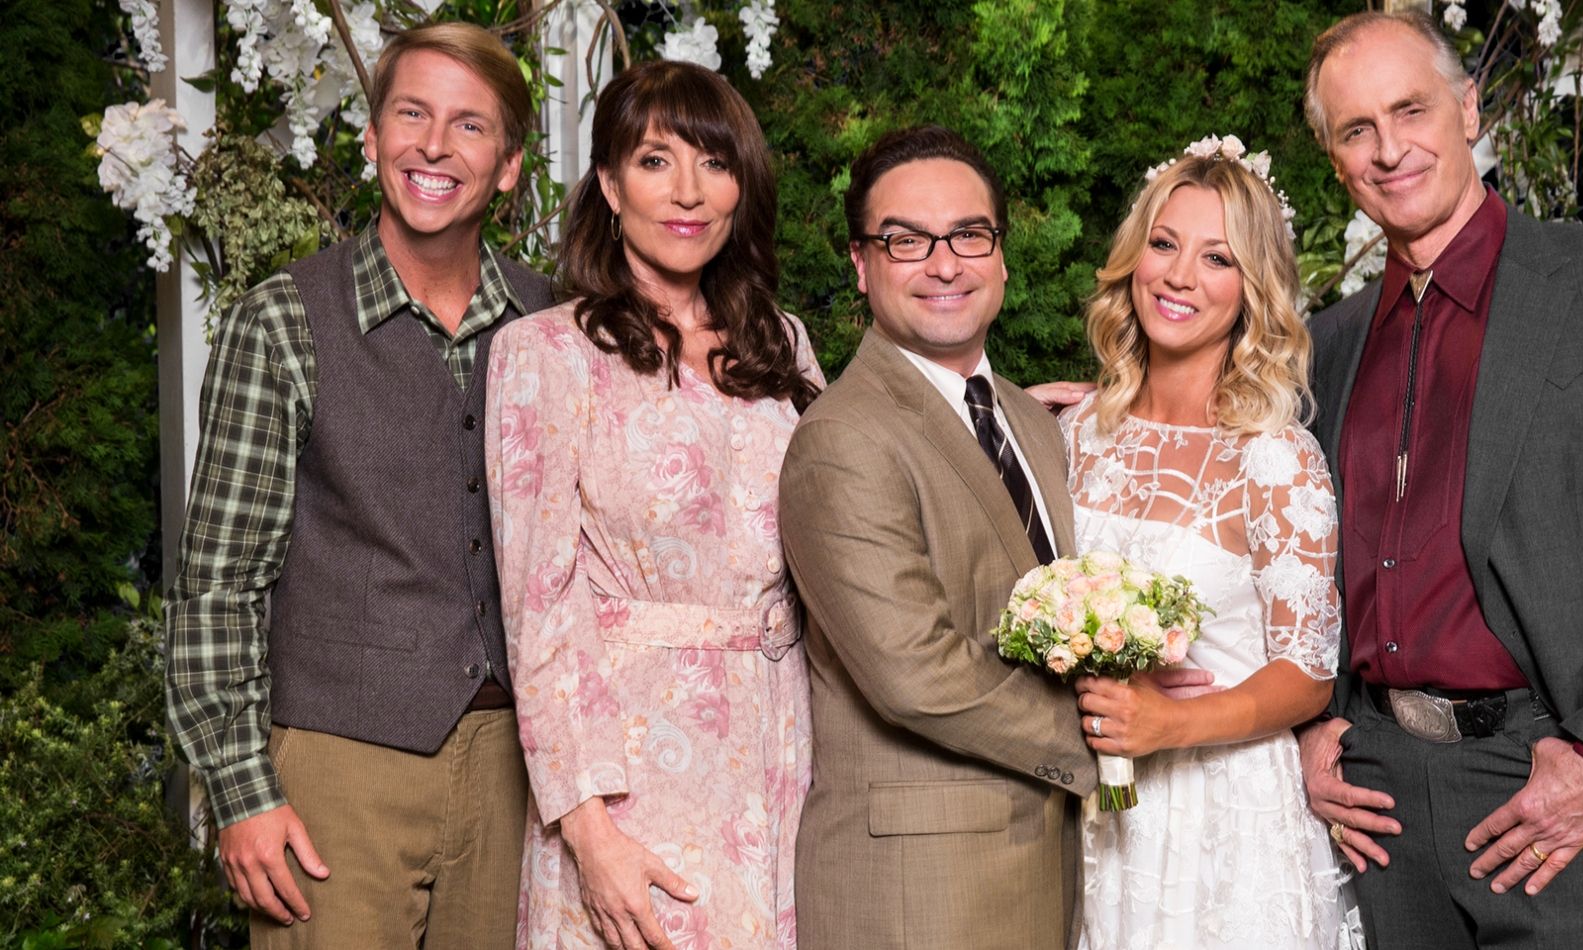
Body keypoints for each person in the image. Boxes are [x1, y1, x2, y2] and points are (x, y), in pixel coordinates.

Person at [1294, 11, 1583, 949]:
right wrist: (1313, 731)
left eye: (1410, 110)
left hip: (1556, 791)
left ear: (1469, 110)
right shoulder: (1327, 344)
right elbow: (1296, 567)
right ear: (1335, 158)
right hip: (1381, 804)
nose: (1389, 150)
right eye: (1356, 131)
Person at [165, 23, 551, 949]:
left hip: (519, 776)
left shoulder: (555, 321)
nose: (433, 145)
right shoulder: (284, 322)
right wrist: (242, 792)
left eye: (469, 125)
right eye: (410, 114)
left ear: (506, 166)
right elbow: (219, 583)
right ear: (371, 138)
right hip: (338, 769)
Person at [486, 61, 821, 950]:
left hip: (784, 753)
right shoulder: (546, 354)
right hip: (632, 769)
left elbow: (850, 512)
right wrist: (592, 836)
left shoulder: (783, 346)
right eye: (655, 161)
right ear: (607, 183)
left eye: (714, 164)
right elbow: (539, 606)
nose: (688, 192)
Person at [777, 125, 1099, 950]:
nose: (944, 262)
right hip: (923, 890)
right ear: (860, 264)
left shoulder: (1031, 420)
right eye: (906, 240)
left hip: (1059, 862)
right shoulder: (842, 438)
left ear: (999, 254)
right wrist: (1115, 738)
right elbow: (914, 672)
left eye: (967, 234)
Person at [1062, 144, 1352, 949]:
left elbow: (1307, 673)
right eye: (1164, 243)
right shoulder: (1077, 433)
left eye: (1217, 257)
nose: (1179, 275)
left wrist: (1167, 725)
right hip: (1087, 810)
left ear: (1253, 288)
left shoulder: (1274, 456)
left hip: (1220, 817)